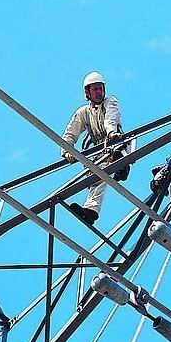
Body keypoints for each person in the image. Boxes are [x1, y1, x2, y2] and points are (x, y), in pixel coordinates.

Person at [61, 71, 132, 226]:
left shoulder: (110, 102)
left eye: (101, 88)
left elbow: (110, 119)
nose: (99, 92)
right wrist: (67, 150)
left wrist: (112, 133)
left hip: (115, 144)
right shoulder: (83, 113)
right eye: (95, 89)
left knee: (115, 154)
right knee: (97, 176)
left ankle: (122, 166)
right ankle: (91, 212)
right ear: (87, 92)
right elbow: (70, 132)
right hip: (101, 152)